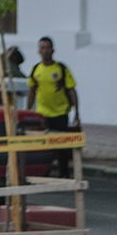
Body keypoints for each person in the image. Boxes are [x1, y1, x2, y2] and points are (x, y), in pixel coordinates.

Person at [27, 36, 79, 176]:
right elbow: (32, 91)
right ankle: (45, 171)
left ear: (53, 50)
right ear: (39, 51)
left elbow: (71, 90)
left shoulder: (61, 69)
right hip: (42, 113)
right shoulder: (36, 70)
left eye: (48, 47)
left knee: (62, 144)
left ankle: (64, 172)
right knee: (44, 144)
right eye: (42, 48)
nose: (45, 51)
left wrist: (76, 112)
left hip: (60, 112)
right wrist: (28, 111)